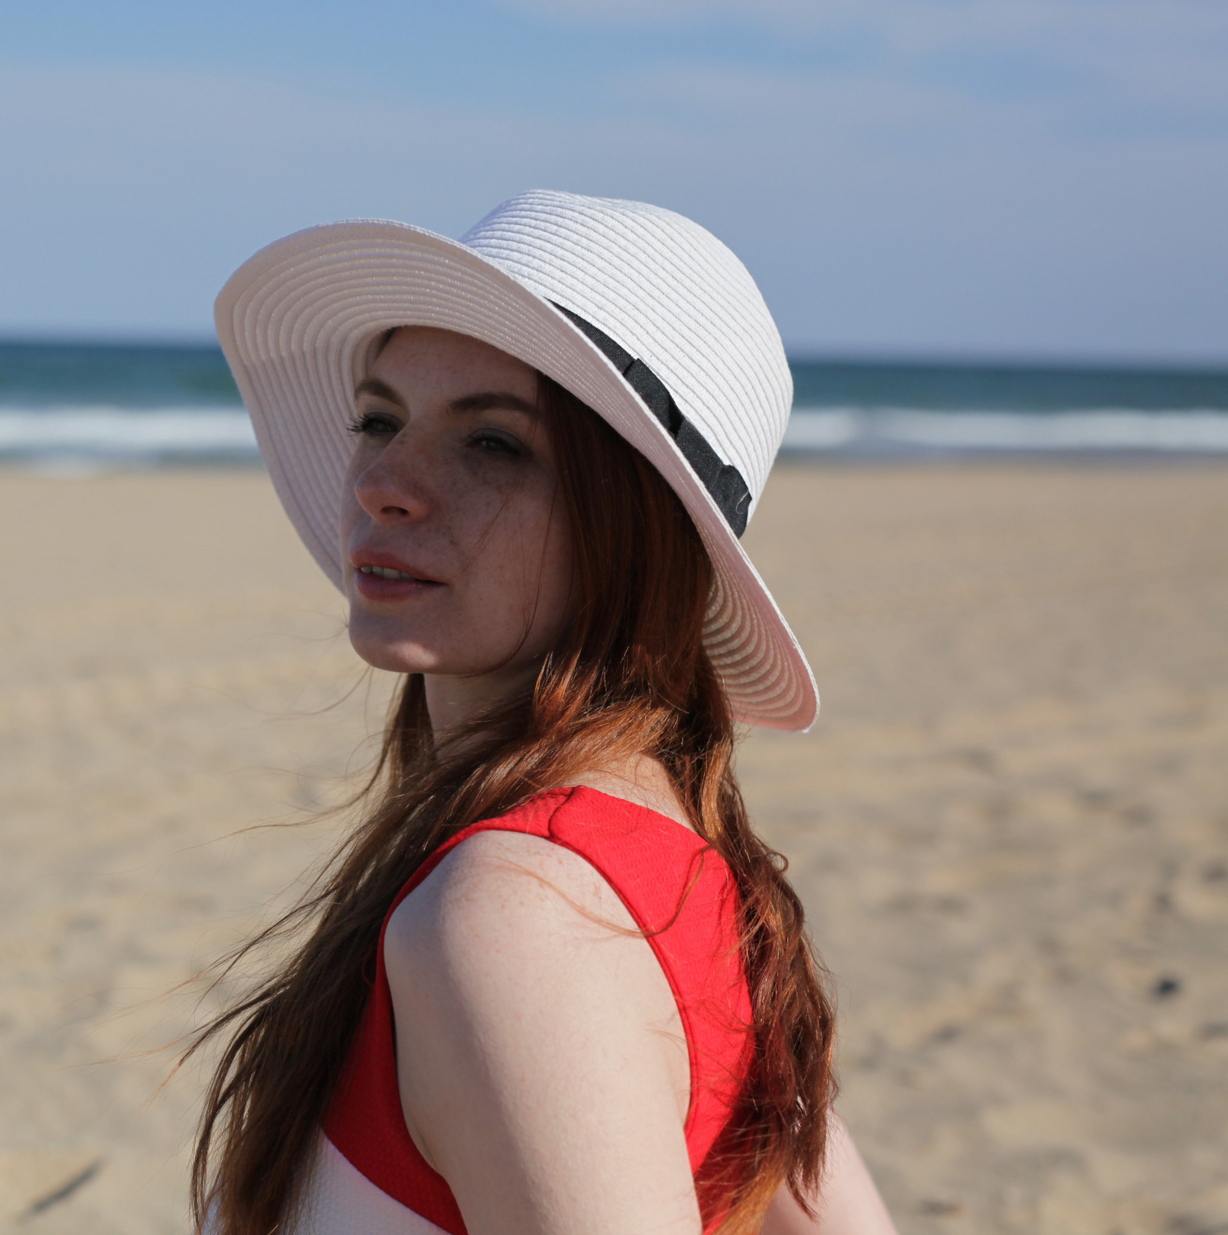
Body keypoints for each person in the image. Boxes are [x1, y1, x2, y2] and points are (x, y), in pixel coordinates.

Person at [187, 192, 899, 1235]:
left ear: (635, 527)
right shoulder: (678, 865)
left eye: (492, 443)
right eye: (380, 419)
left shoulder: (518, 917)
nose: (385, 482)